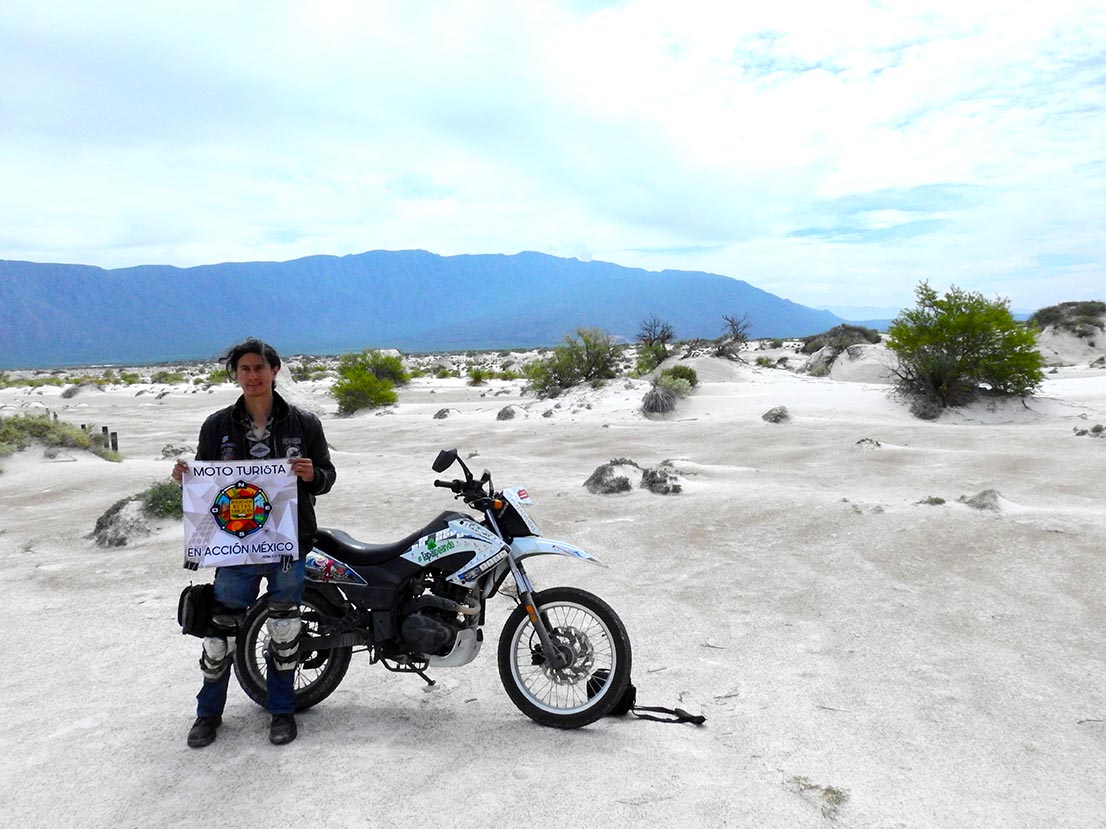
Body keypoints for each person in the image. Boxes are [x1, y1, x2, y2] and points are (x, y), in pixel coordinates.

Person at [172, 338, 336, 748]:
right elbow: (206, 484)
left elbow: (328, 477)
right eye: (244, 369)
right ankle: (207, 715)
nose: (252, 376)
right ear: (236, 374)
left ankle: (281, 711)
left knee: (284, 629)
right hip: (236, 548)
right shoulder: (217, 426)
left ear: (275, 371)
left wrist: (312, 474)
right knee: (219, 632)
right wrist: (185, 480)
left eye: (259, 368)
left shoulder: (304, 424)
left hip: (287, 542)